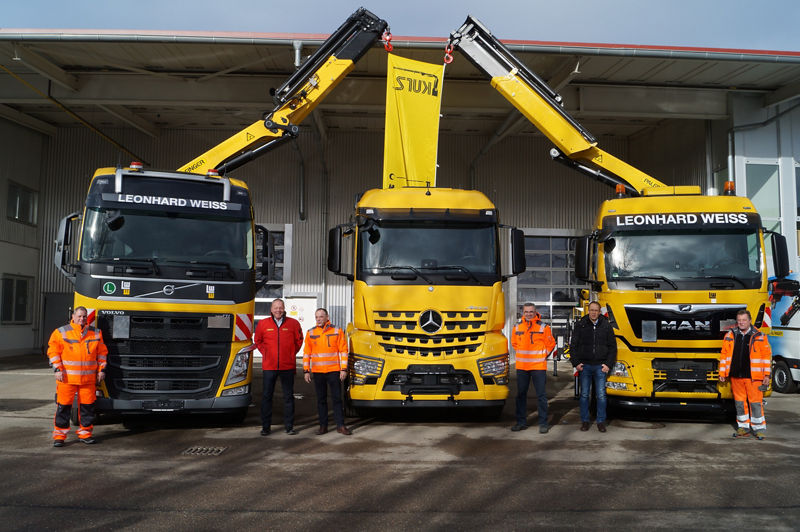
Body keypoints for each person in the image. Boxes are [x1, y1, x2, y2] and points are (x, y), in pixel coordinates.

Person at [46, 306, 108, 446]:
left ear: (87, 318)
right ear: (73, 316)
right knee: (63, 407)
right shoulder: (61, 332)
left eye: (84, 316)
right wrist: (57, 369)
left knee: (88, 408)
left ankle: (85, 434)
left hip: (88, 380)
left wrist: (102, 370)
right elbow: (53, 352)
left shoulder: (96, 333)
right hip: (66, 379)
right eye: (79, 316)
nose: (82, 319)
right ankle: (59, 437)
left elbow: (102, 354)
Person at [719, 309, 771, 440]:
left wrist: (767, 375)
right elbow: (724, 355)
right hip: (736, 375)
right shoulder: (730, 335)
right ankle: (743, 428)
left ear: (750, 321)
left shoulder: (760, 336)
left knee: (755, 403)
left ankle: (759, 429)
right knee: (739, 403)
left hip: (754, 377)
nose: (741, 323)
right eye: (739, 320)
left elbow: (766, 357)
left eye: (744, 320)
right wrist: (722, 372)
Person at [253, 298, 304, 436]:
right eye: (275, 308)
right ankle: (266, 427)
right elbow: (257, 340)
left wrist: (291, 353)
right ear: (271, 309)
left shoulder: (293, 323)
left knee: (288, 397)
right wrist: (266, 353)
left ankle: (289, 427)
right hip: (269, 367)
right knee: (266, 397)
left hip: (287, 366)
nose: (278, 310)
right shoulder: (263, 324)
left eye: (280, 307)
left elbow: (299, 340)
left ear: (284, 308)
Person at [304, 308, 352, 435]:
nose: (318, 319)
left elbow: (343, 351)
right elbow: (306, 353)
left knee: (337, 399)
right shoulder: (310, 332)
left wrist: (343, 369)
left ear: (327, 317)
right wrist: (306, 371)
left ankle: (340, 425)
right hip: (318, 372)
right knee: (321, 400)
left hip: (334, 371)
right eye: (316, 317)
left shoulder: (337, 331)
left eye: (321, 316)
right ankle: (323, 426)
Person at [570, 301, 616, 432]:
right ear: (588, 311)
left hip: (600, 367)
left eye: (596, 310)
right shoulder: (581, 325)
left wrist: (608, 364)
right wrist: (576, 363)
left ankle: (601, 421)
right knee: (584, 395)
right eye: (591, 310)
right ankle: (585, 421)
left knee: (601, 395)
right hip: (585, 366)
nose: (594, 312)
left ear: (599, 312)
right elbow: (573, 346)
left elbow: (613, 347)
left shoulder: (606, 326)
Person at [510, 303, 556, 433]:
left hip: (538, 366)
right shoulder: (517, 327)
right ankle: (521, 422)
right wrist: (521, 351)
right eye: (526, 312)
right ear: (522, 313)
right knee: (521, 395)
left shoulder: (543, 327)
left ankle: (543, 423)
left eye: (531, 311)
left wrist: (543, 354)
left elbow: (551, 343)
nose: (529, 314)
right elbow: (514, 343)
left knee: (541, 395)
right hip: (522, 366)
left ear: (535, 312)